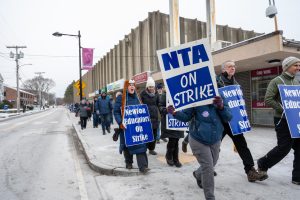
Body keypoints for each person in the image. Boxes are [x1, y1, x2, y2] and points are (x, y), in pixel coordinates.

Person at [168, 96, 232, 200]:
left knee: (213, 162)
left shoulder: (220, 96)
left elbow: (228, 117)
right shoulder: (195, 96)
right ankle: (210, 197)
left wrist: (221, 107)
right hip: (198, 139)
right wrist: (175, 113)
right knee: (208, 167)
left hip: (215, 139)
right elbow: (186, 117)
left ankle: (198, 174)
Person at [216, 60, 266, 182]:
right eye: (229, 66)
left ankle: (250, 171)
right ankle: (203, 170)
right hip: (220, 120)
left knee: (242, 145)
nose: (233, 68)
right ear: (223, 70)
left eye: (234, 66)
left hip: (233, 121)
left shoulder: (235, 82)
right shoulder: (217, 82)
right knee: (214, 147)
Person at [257, 56, 300, 185]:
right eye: (296, 65)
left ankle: (297, 177)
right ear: (287, 66)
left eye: (299, 65)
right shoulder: (276, 81)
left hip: (296, 119)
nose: (298, 68)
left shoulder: (296, 82)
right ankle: (263, 163)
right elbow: (268, 99)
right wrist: (285, 110)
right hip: (282, 120)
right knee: (284, 148)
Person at [114, 79, 150, 174]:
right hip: (126, 128)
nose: (132, 86)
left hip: (137, 127)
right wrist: (121, 122)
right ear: (126, 87)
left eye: (133, 85)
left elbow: (142, 110)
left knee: (141, 145)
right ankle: (128, 162)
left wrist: (145, 120)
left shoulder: (138, 97)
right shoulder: (121, 98)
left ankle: (143, 166)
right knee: (127, 146)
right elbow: (116, 112)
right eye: (129, 85)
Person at [158, 89, 184, 168]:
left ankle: (175, 159)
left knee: (176, 140)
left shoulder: (181, 93)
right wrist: (166, 110)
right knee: (173, 139)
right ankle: (169, 156)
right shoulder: (165, 95)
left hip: (178, 120)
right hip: (169, 121)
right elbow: (160, 106)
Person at [140, 77, 160, 155]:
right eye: (150, 86)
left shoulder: (156, 94)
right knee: (146, 134)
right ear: (147, 87)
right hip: (146, 117)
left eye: (152, 86)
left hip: (155, 117)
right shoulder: (143, 94)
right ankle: (144, 148)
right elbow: (140, 103)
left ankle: (151, 149)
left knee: (154, 135)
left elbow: (159, 104)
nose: (151, 88)